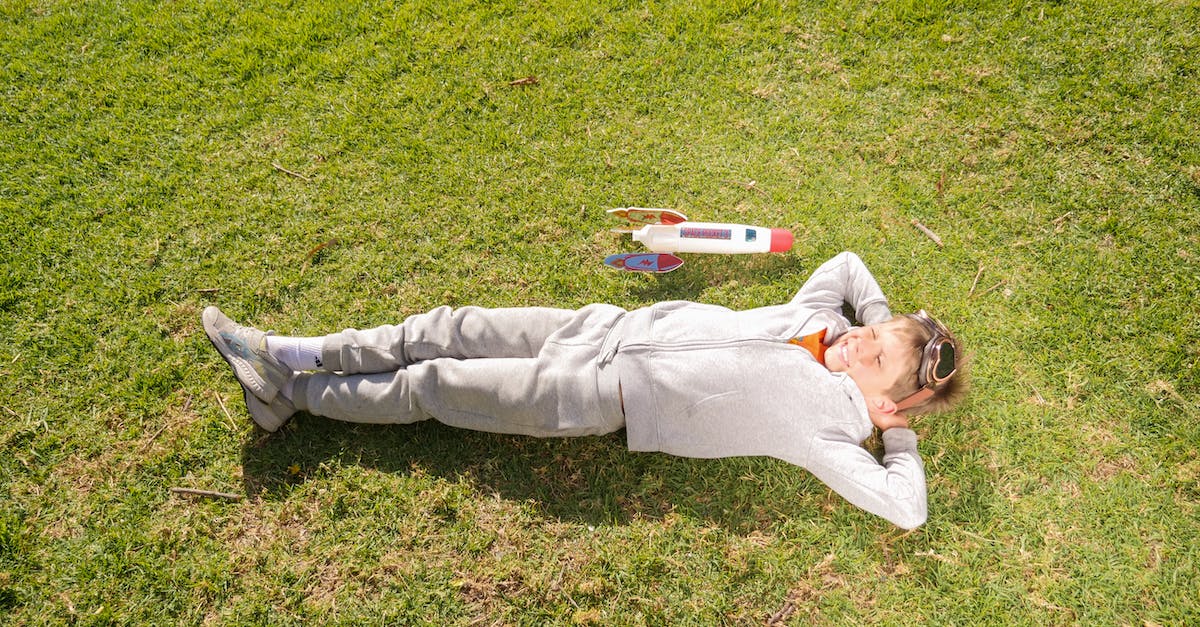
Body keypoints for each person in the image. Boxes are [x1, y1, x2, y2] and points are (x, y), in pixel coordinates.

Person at [202, 252, 965, 528]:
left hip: (598, 395)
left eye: (868, 356)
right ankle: (285, 349)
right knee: (442, 325)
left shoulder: (825, 428)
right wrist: (882, 329)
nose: (854, 341)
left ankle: (289, 395)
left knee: (434, 383)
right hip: (599, 324)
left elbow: (907, 507)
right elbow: (850, 263)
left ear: (885, 400)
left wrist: (893, 429)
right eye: (872, 330)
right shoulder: (824, 318)